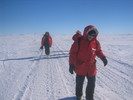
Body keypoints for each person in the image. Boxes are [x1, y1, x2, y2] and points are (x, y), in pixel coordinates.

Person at [69, 25, 108, 100]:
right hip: (80, 66)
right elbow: (72, 53)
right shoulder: (79, 41)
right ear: (86, 33)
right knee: (79, 83)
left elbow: (98, 51)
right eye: (90, 34)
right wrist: (71, 64)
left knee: (91, 84)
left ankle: (89, 98)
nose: (91, 36)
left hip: (91, 67)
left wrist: (103, 57)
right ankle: (79, 96)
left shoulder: (96, 42)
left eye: (93, 35)